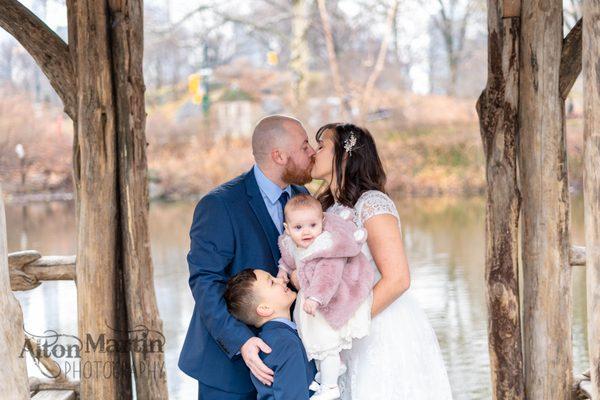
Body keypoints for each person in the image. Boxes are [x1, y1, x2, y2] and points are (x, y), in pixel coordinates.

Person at [309, 122, 453, 399]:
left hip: (380, 325)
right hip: (343, 335)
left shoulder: (372, 203)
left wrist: (347, 324)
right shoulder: (328, 208)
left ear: (345, 153)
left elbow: (398, 278)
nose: (314, 153)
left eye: (321, 146)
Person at [178, 115, 316, 399]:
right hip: (228, 368)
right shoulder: (220, 205)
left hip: (289, 361)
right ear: (279, 156)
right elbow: (205, 281)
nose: (312, 152)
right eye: (304, 146)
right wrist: (242, 341)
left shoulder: (302, 196)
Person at [277, 194, 373, 400]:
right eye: (298, 227)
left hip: (327, 300)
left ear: (322, 221)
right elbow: (289, 262)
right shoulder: (291, 244)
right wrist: (283, 272)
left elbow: (328, 277)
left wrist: (316, 298)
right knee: (314, 340)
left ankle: (330, 387)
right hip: (310, 303)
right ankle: (333, 368)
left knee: (326, 342)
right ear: (287, 228)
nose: (307, 232)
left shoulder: (327, 245)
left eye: (312, 225)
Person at [224, 269, 317, 400]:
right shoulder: (285, 342)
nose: (282, 280)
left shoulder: (269, 339)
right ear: (265, 309)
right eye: (272, 282)